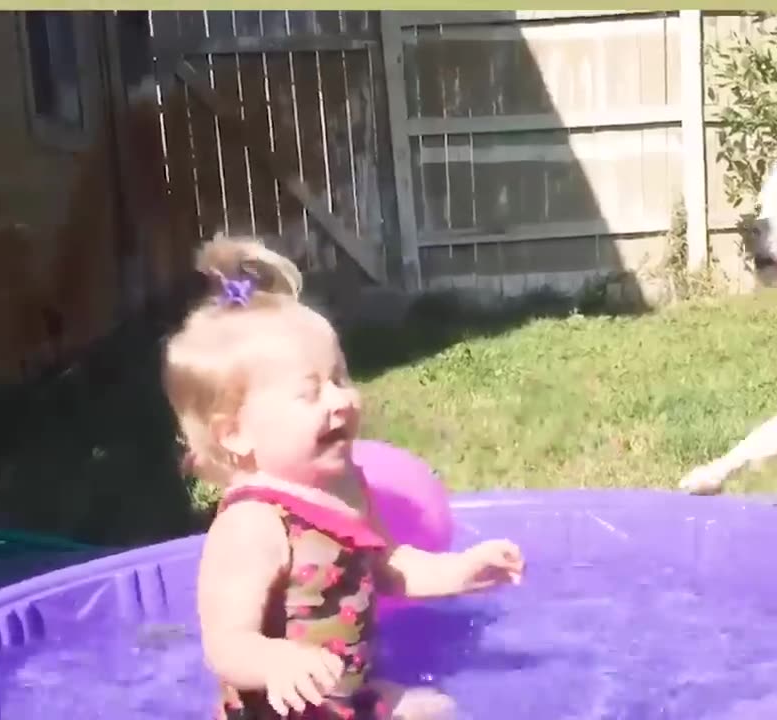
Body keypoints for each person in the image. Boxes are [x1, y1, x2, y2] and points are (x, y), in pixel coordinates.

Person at [163, 233, 525, 719]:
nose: (340, 400)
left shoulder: (345, 488)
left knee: (436, 711)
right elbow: (226, 642)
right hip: (278, 712)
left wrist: (459, 572)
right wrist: (275, 659)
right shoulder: (252, 523)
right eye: (310, 393)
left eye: (340, 378)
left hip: (347, 696)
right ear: (235, 434)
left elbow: (388, 567)